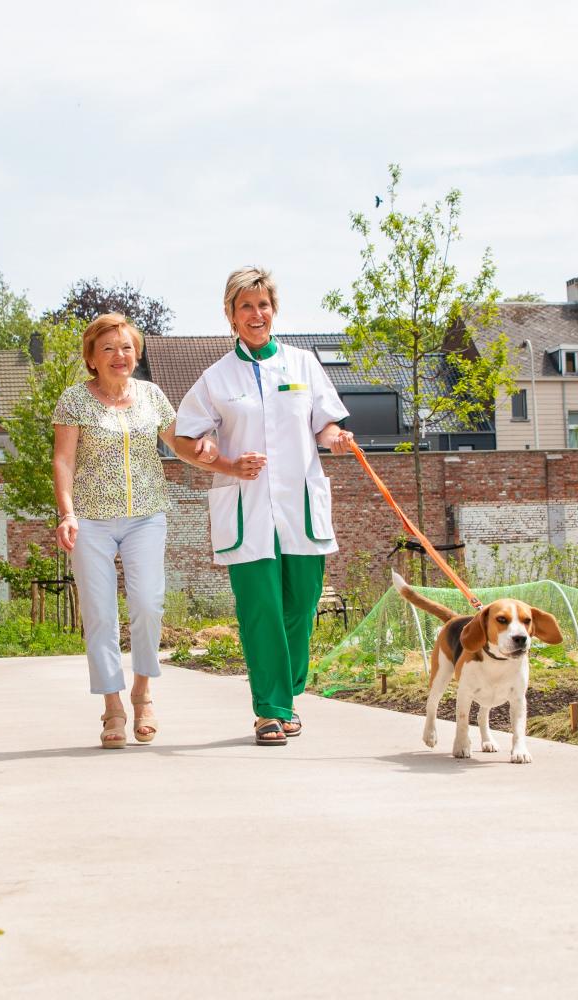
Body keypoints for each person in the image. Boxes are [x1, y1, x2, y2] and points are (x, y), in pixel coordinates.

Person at [174, 267, 354, 746]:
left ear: (274, 310)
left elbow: (325, 425)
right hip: (248, 508)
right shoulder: (216, 378)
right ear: (231, 316)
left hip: (300, 503)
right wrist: (224, 462)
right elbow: (187, 438)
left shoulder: (303, 365)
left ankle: (287, 693)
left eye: (263, 305)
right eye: (246, 307)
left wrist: (337, 438)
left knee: (301, 604)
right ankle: (270, 709)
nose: (257, 314)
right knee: (261, 609)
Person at [52, 313, 212, 749]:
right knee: (100, 614)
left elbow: (178, 442)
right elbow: (64, 460)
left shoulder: (153, 396)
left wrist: (204, 446)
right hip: (91, 519)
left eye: (125, 347)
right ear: (92, 358)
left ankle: (143, 693)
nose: (119, 356)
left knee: (147, 603)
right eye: (108, 348)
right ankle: (113, 708)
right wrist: (67, 514)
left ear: (136, 352)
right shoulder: (73, 401)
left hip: (146, 515)